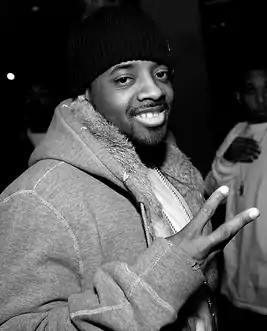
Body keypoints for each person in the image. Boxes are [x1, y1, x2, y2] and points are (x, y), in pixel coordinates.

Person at [0, 6, 259, 330]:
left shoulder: (169, 168)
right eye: (124, 78)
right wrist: (165, 277)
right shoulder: (38, 197)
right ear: (86, 91)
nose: (154, 91)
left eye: (161, 73)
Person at [205, 63, 267, 330]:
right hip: (238, 276)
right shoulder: (237, 131)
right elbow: (209, 190)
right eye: (252, 89)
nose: (261, 98)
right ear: (240, 96)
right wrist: (227, 159)